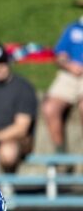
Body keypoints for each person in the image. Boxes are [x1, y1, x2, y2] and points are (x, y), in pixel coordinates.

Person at [42, 16, 83, 155]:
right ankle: (61, 154)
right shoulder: (73, 28)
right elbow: (60, 55)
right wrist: (69, 65)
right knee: (50, 108)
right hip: (70, 74)